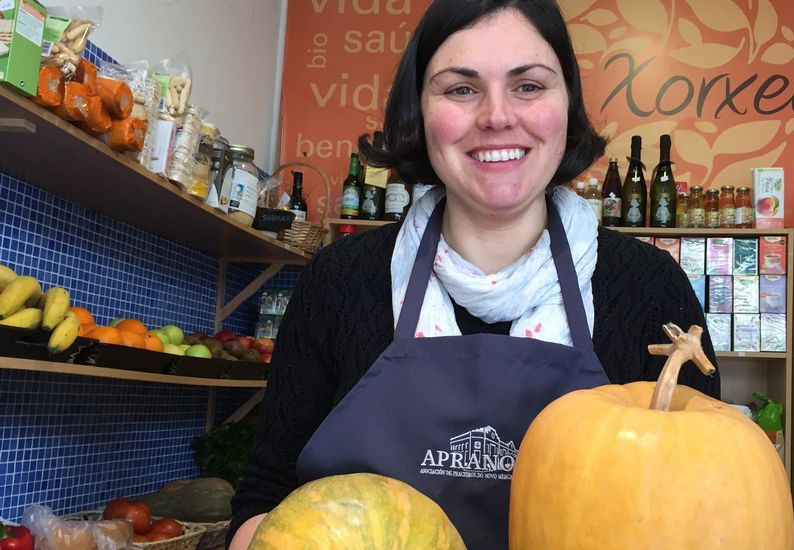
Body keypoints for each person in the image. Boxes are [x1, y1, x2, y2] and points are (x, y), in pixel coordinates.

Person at [229, 0, 717, 548]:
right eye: (461, 88)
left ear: (567, 105)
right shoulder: (339, 282)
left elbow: (699, 514)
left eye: (528, 86)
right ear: (419, 110)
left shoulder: (651, 291)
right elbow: (267, 497)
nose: (496, 115)